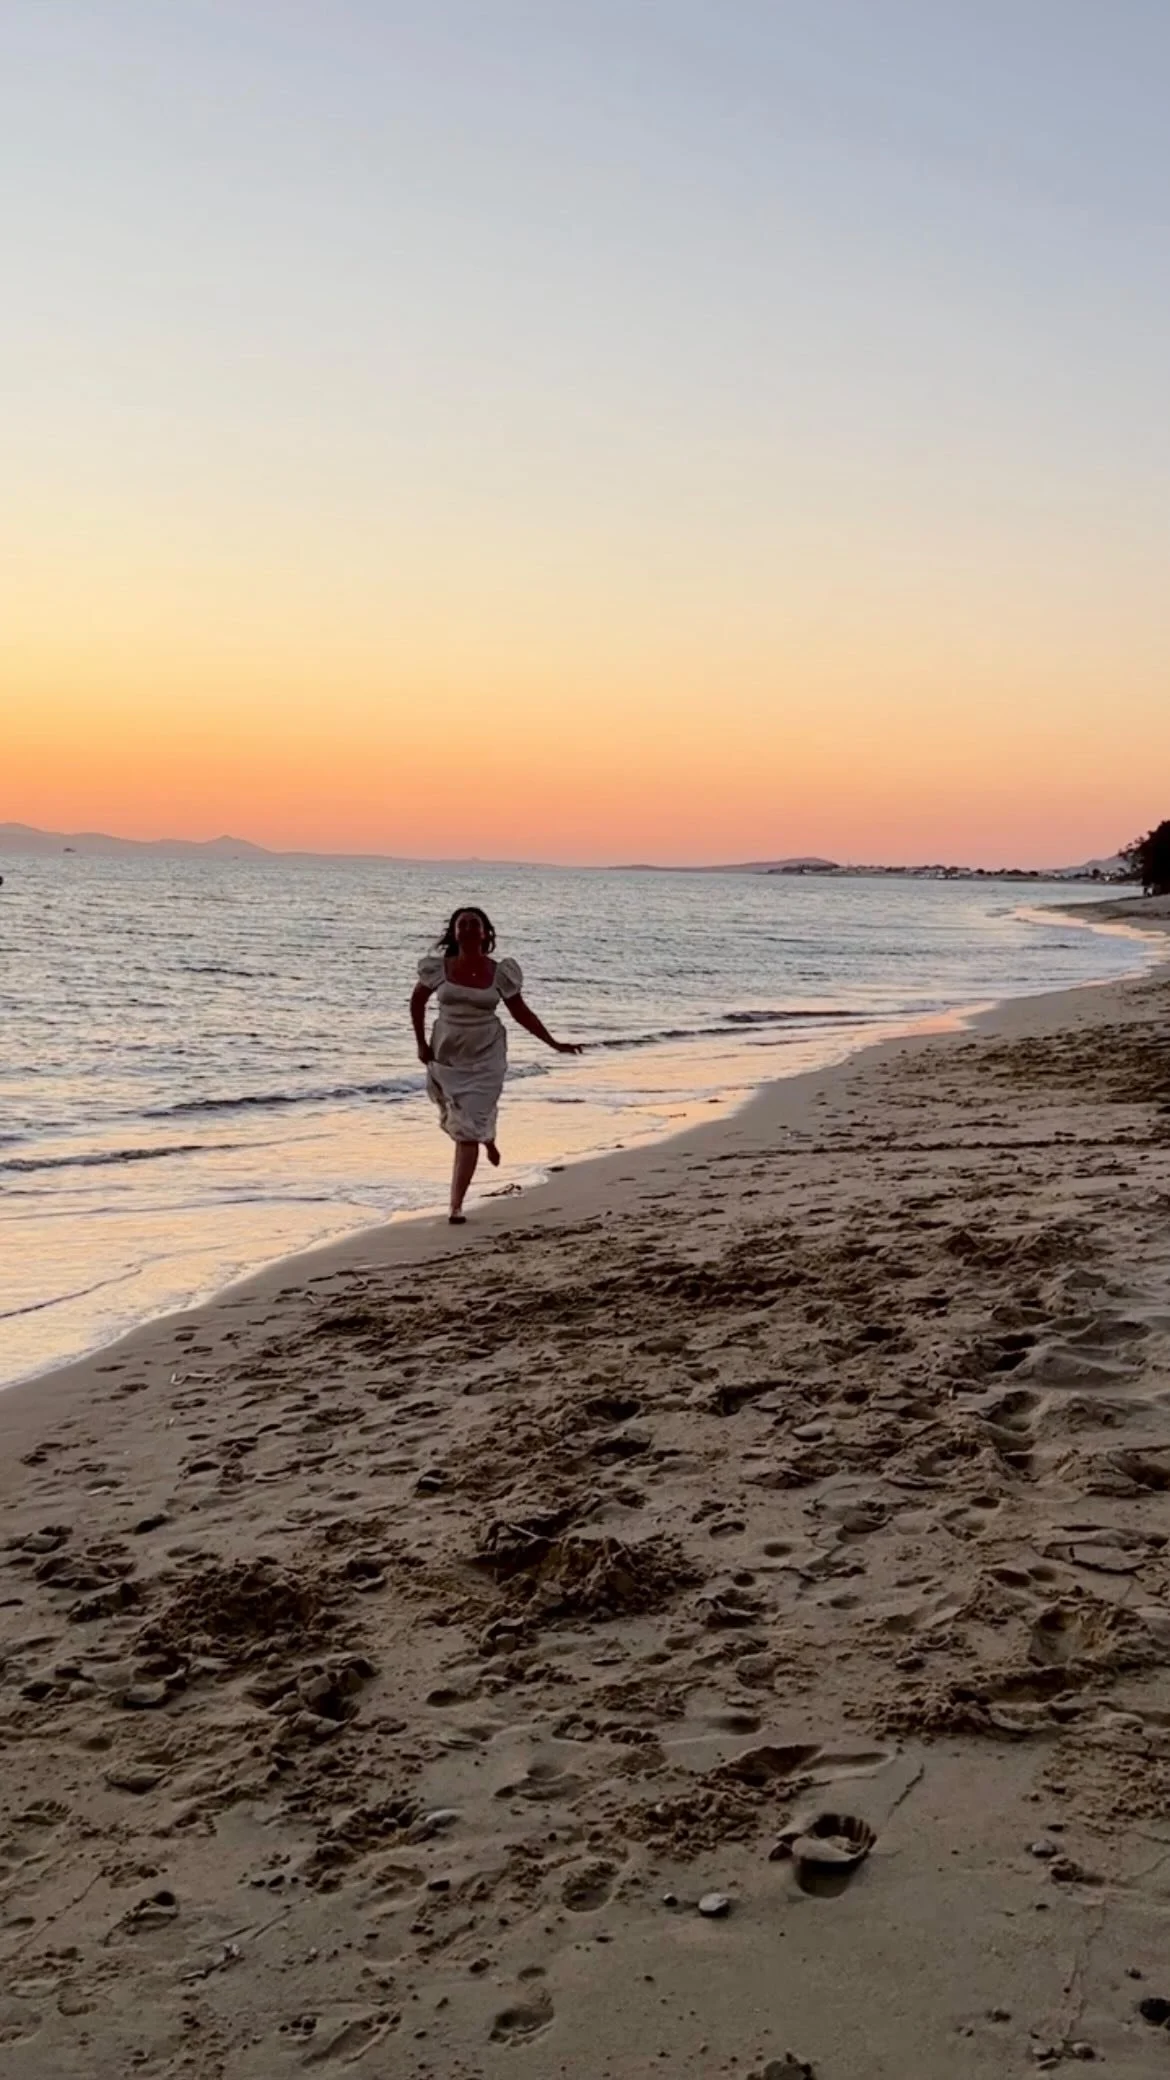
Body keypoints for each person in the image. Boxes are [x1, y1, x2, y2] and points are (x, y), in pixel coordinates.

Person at [411, 906, 582, 1223]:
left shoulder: (499, 973)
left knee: (467, 1131)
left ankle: (455, 1206)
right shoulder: (439, 969)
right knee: (456, 1114)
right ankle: (487, 1137)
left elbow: (522, 1013)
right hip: (448, 1053)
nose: (468, 929)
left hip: (486, 1054)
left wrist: (554, 1043)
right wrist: (421, 1043)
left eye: (474, 924)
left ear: (486, 932)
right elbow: (417, 1001)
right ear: (454, 932)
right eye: (462, 924)